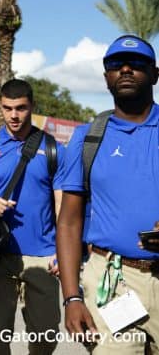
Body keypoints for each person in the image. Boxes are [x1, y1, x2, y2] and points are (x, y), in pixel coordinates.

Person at [57, 34, 159, 353]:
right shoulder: (87, 138)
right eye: (116, 65)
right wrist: (72, 297)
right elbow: (69, 223)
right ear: (106, 78)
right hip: (113, 282)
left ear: (155, 74)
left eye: (138, 64)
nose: (126, 70)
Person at [0, 79, 65, 355]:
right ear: (1, 108)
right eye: (8, 109)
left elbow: (61, 203)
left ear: (31, 106)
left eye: (20, 108)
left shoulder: (53, 148)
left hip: (42, 257)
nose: (14, 115)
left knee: (46, 336)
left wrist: (61, 251)